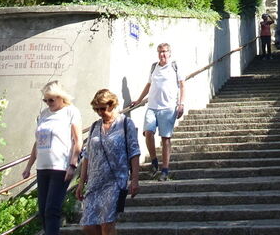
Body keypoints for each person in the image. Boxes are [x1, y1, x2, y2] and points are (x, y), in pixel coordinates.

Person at [21, 81, 82, 235]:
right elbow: (38, 142)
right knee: (42, 210)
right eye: (45, 100)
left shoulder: (71, 111)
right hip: (42, 167)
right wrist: (28, 166)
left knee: (52, 209)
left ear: (61, 98)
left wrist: (72, 164)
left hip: (60, 167)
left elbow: (77, 140)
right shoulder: (44, 114)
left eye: (51, 100)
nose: (48, 103)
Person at [77, 89, 140, 235]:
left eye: (103, 109)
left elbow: (134, 152)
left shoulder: (125, 123)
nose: (100, 112)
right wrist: (81, 182)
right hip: (94, 182)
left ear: (112, 105)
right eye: (96, 109)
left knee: (107, 223)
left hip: (115, 181)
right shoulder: (94, 126)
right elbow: (87, 155)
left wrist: (135, 179)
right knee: (88, 225)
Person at [132, 42, 185, 180]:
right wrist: (138, 100)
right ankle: (155, 162)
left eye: (165, 51)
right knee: (148, 133)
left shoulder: (175, 67)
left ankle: (165, 170)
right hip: (152, 106)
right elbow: (149, 85)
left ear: (169, 53)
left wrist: (181, 104)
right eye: (160, 52)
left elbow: (182, 85)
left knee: (165, 138)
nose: (162, 54)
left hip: (167, 108)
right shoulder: (154, 67)